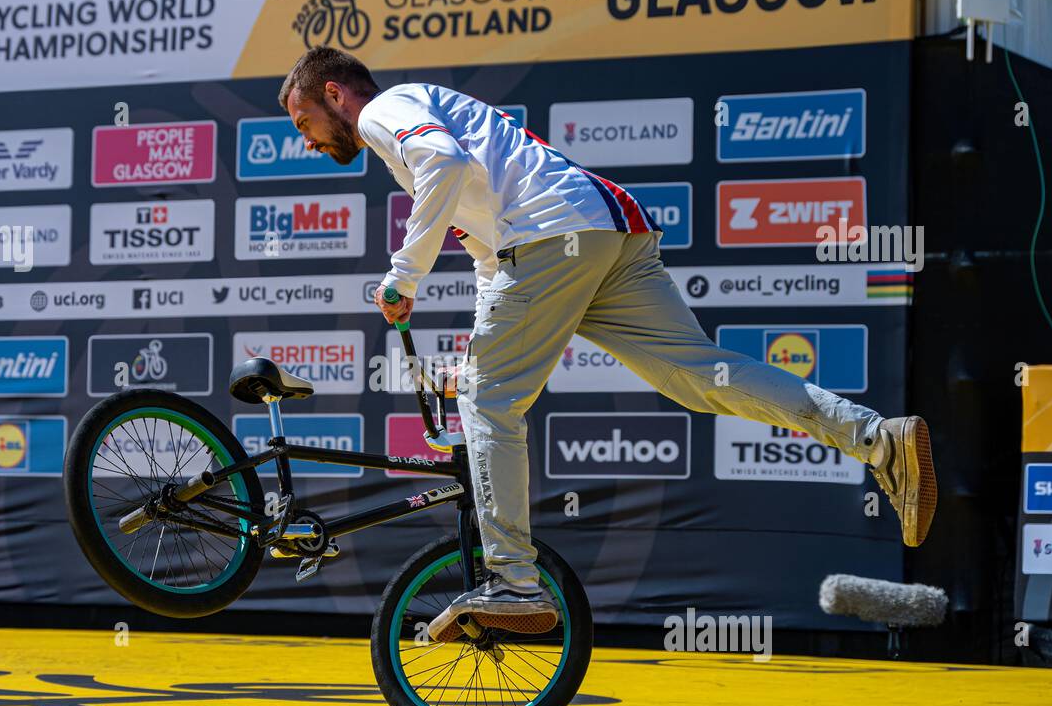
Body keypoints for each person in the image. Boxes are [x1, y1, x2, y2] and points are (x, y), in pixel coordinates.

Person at [276, 46, 938, 642]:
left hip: (549, 237)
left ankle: (513, 582)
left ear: (336, 94)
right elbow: (485, 256)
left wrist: (403, 276)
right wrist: (476, 348)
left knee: (488, 403)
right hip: (601, 229)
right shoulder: (420, 114)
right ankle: (878, 438)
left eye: (303, 120)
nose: (306, 140)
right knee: (699, 375)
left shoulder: (385, 111)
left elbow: (444, 168)